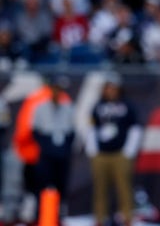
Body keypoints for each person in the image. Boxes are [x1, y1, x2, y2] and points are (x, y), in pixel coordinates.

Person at [13, 74, 75, 224]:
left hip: (61, 153)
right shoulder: (38, 103)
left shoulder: (67, 104)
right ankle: (37, 215)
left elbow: (72, 131)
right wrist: (36, 149)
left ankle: (58, 215)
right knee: (39, 187)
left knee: (60, 186)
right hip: (42, 153)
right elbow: (29, 130)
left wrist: (64, 148)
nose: (57, 93)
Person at [85, 72, 143, 226]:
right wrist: (93, 150)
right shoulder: (98, 106)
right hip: (101, 154)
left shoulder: (127, 105)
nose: (111, 91)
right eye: (108, 88)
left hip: (120, 154)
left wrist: (128, 151)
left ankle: (127, 218)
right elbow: (91, 128)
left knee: (124, 187)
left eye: (114, 88)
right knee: (100, 188)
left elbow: (135, 128)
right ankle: (99, 218)